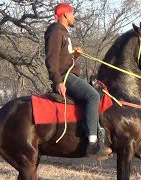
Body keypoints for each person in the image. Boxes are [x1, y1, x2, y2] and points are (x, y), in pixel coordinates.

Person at [44, 3, 111, 157]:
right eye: (72, 13)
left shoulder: (64, 33)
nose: (74, 17)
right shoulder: (55, 31)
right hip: (65, 77)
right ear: (65, 15)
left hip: (69, 74)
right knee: (92, 95)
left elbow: (63, 59)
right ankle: (92, 143)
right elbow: (51, 60)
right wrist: (58, 81)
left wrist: (75, 56)